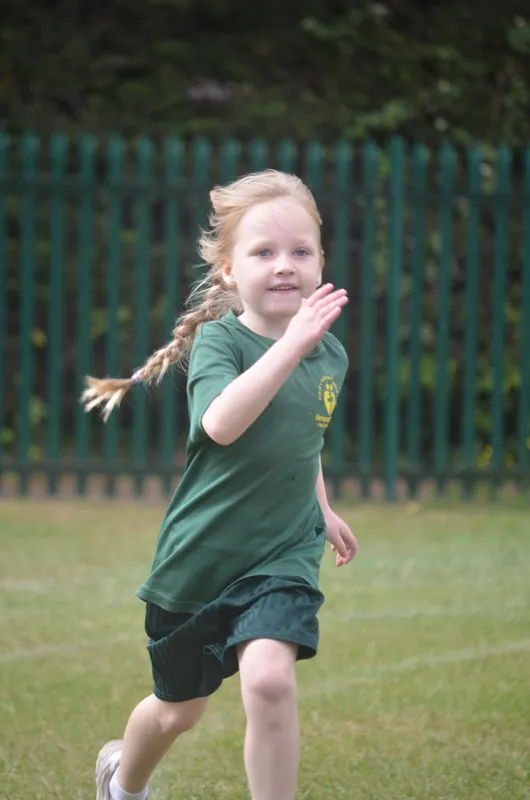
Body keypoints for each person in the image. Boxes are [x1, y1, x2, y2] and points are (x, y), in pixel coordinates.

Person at [83, 169, 358, 800]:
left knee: (268, 680)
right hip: (200, 562)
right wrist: (291, 346)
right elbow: (224, 424)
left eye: (300, 251)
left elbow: (301, 436)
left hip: (282, 554)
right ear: (230, 271)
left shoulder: (330, 354)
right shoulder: (218, 343)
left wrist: (325, 507)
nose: (284, 265)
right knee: (177, 712)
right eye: (263, 252)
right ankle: (122, 780)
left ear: (321, 263)